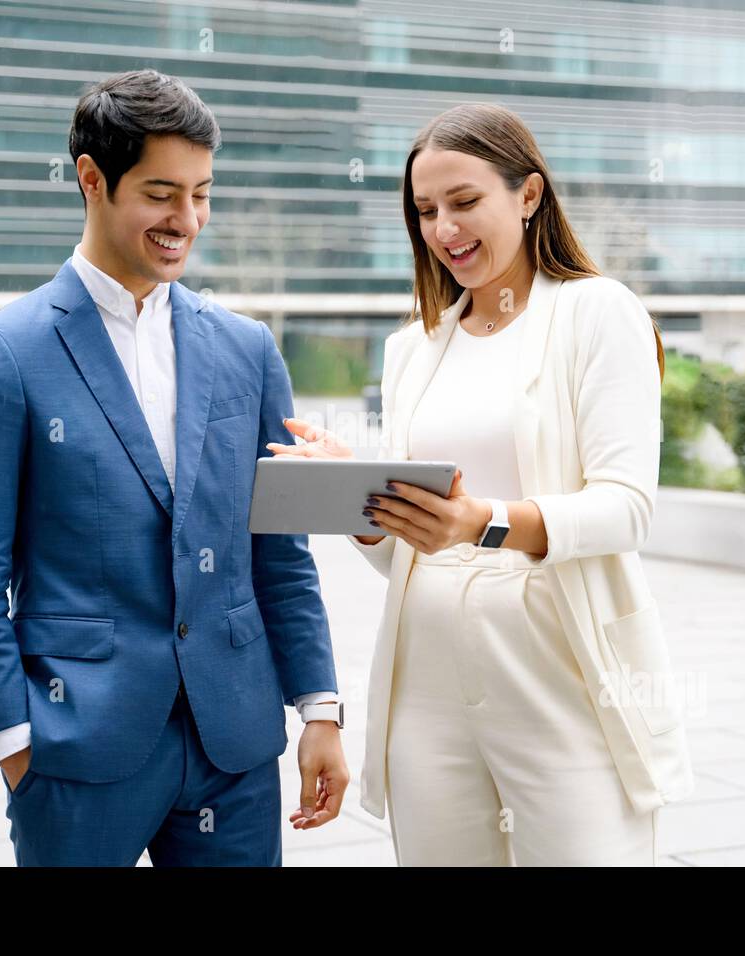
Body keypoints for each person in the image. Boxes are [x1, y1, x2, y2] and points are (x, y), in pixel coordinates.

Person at [0, 69, 349, 866]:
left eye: (202, 193)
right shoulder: (0, 356)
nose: (185, 220)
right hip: (76, 750)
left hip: (235, 750)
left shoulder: (247, 349)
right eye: (162, 193)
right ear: (92, 179)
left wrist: (319, 709)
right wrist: (13, 743)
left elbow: (278, 554)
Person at [267, 103, 694, 865]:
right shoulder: (414, 347)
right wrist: (362, 503)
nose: (443, 229)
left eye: (464, 202)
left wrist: (482, 521)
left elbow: (627, 508)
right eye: (425, 210)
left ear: (528, 196)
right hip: (426, 683)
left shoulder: (598, 313)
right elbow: (411, 550)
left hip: (559, 674)